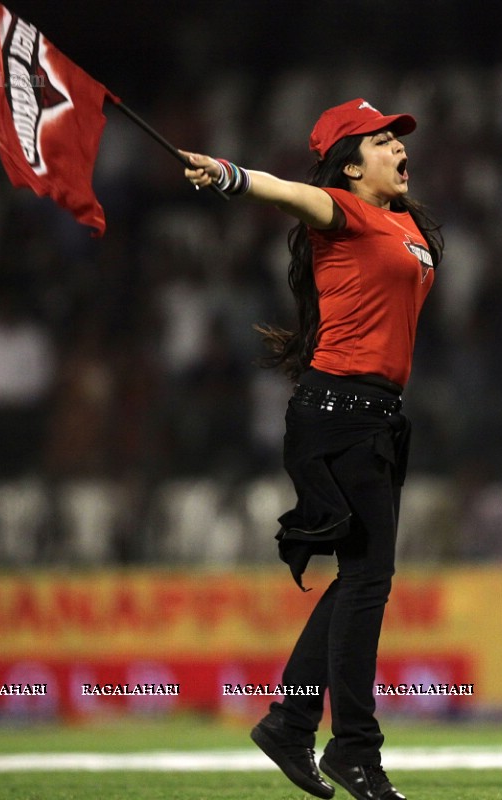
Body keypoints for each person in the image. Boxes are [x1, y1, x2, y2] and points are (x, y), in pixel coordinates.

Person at [183, 98, 442, 800]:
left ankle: (293, 723)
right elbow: (293, 194)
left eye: (398, 139)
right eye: (382, 140)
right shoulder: (345, 210)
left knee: (362, 581)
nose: (397, 148)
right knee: (369, 581)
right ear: (350, 165)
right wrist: (232, 176)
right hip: (339, 412)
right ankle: (353, 750)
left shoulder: (407, 221)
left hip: (373, 416)